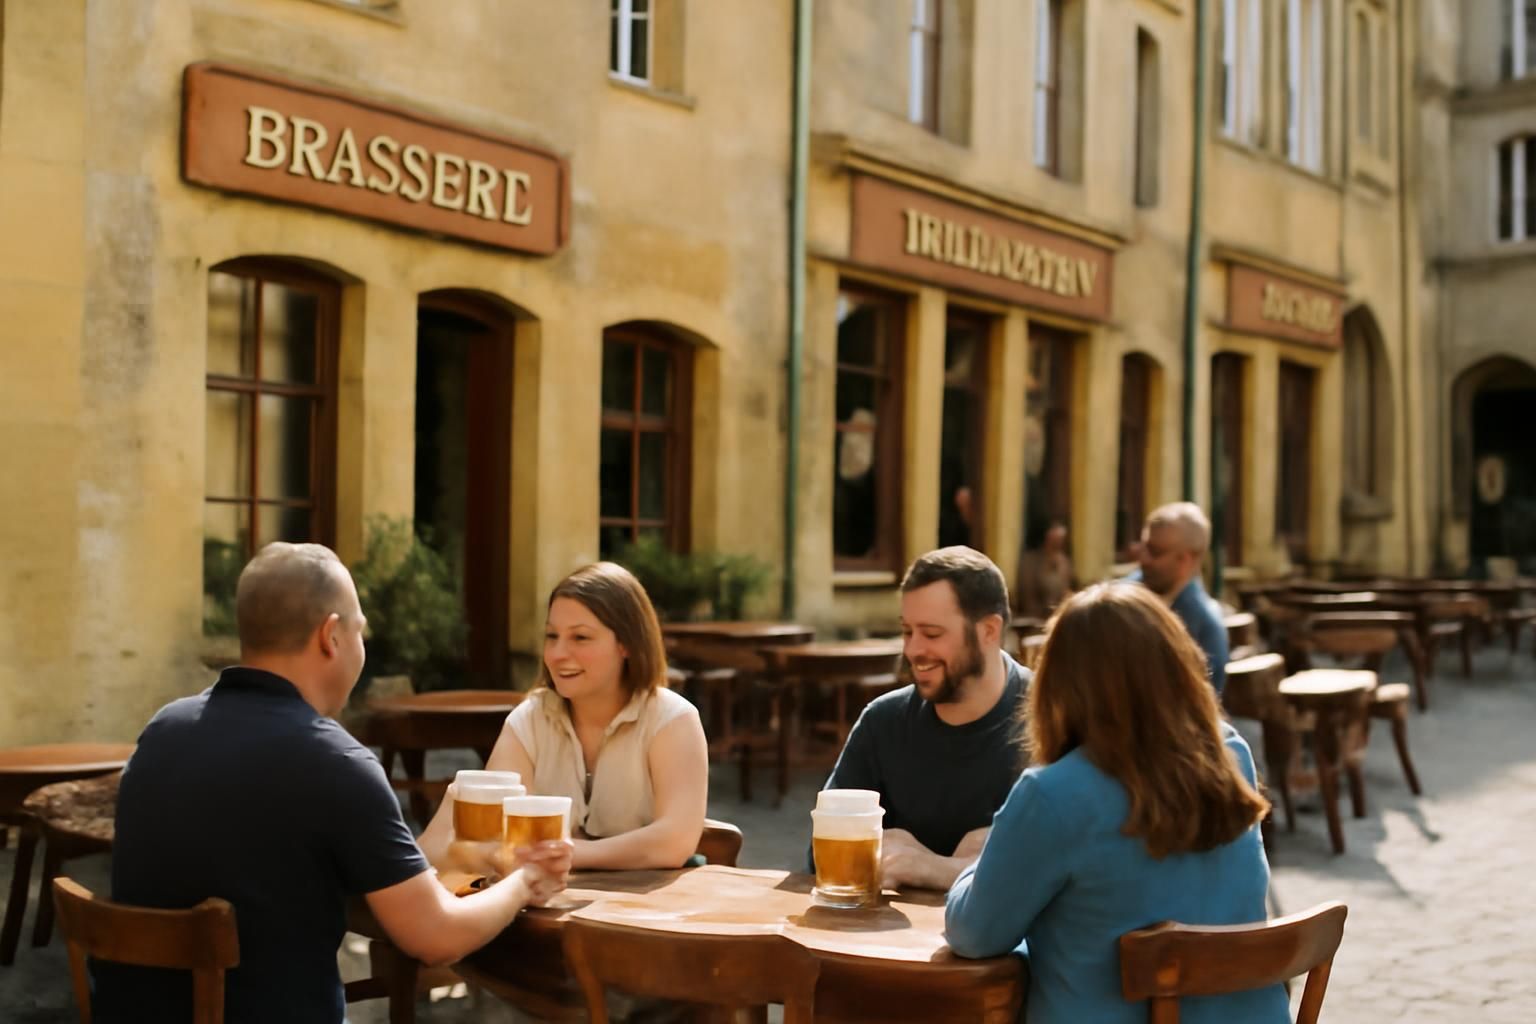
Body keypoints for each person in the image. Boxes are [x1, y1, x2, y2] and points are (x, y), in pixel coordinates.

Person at [98, 543, 572, 1024]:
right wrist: (524, 881)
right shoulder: (334, 761)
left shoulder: (162, 731)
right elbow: (435, 938)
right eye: (360, 630)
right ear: (331, 636)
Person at [945, 583, 1286, 1024]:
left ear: (1060, 683)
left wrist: (981, 859)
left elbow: (973, 934)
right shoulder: (1230, 755)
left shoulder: (1053, 794)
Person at [420, 561, 708, 873]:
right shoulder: (529, 720)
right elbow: (478, 832)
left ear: (627, 643)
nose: (557, 653)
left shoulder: (672, 719)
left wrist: (568, 853)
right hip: (549, 907)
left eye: (580, 638)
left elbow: (675, 841)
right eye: (551, 636)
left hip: (647, 910)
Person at [814, 546, 1032, 890]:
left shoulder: (1054, 720)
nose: (914, 650)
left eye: (932, 634)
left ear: (989, 631)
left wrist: (937, 869)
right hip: (886, 940)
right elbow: (821, 853)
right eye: (906, 631)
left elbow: (1073, 862)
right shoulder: (882, 721)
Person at [1132, 501, 1229, 694]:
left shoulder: (1206, 628)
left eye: (1154, 552)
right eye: (1143, 548)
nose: (1143, 559)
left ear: (1185, 560)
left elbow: (1199, 709)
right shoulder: (1120, 595)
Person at [1014, 521, 1075, 618]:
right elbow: (1028, 596)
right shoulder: (1030, 562)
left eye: (1060, 542)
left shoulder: (1065, 563)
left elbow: (1066, 592)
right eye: (1053, 541)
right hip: (1035, 617)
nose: (1057, 545)